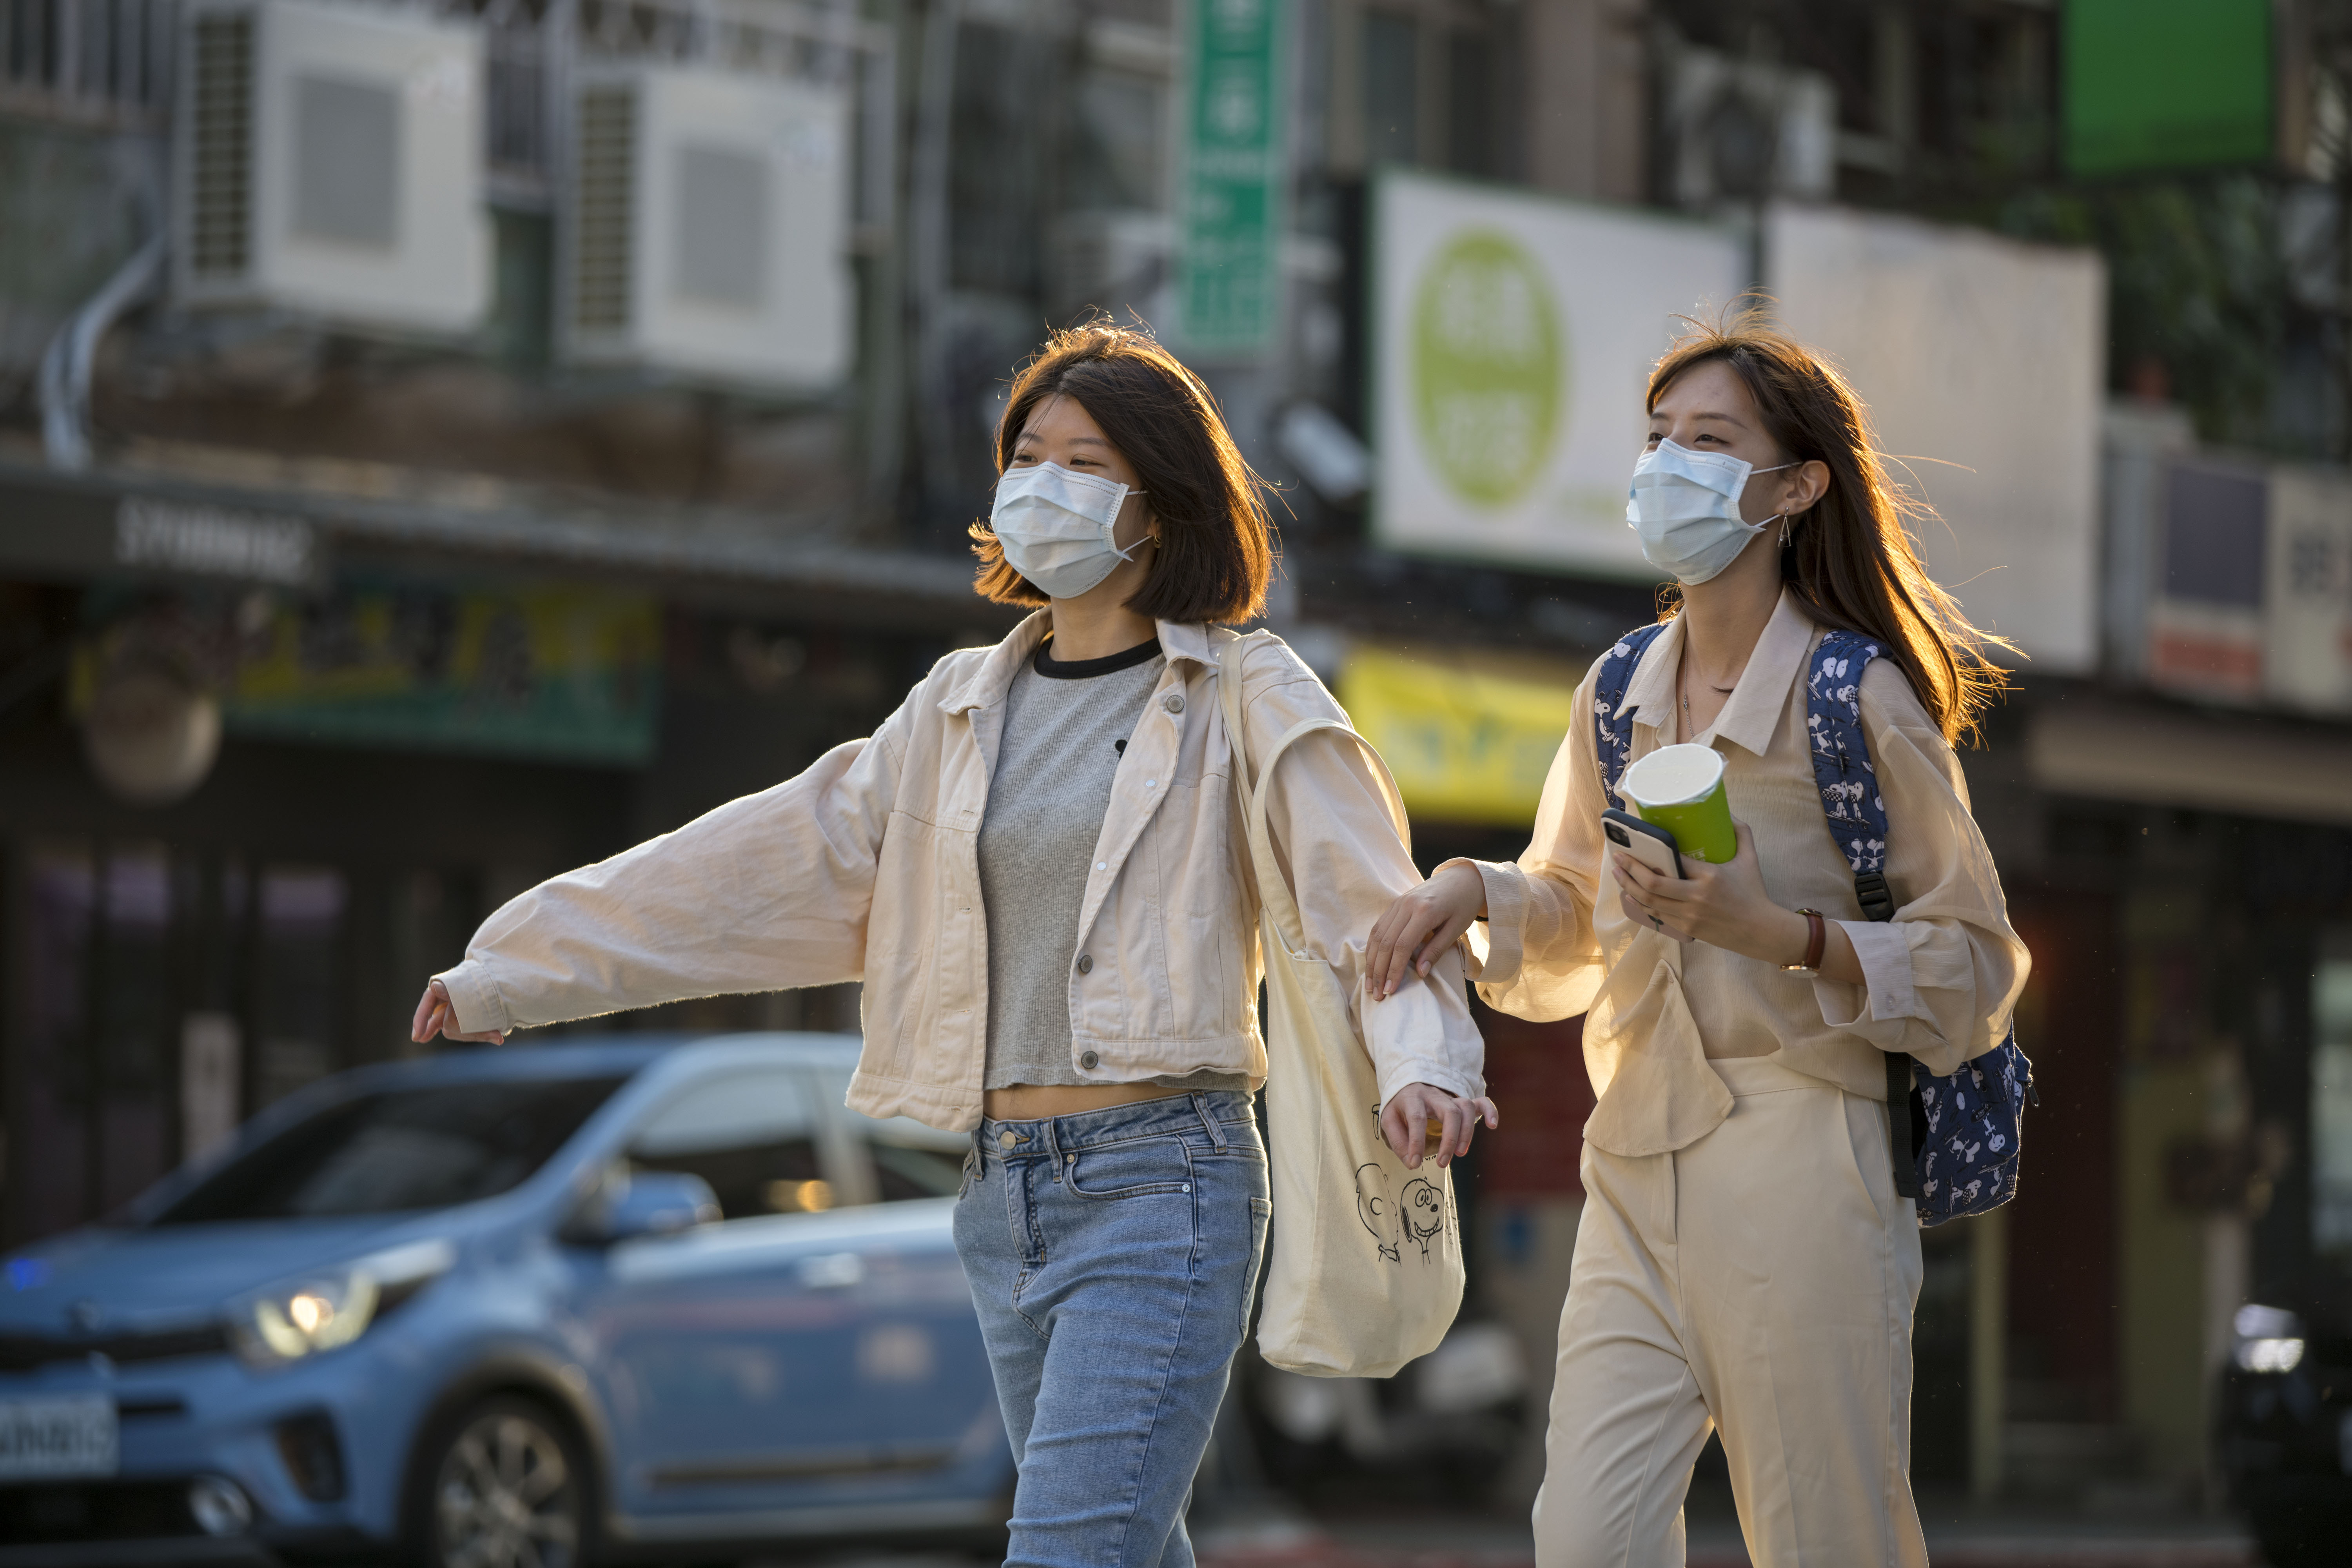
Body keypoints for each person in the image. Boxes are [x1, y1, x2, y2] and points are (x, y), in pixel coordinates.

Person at [410, 322, 1497, 1568]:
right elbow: (758, 860)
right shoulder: (958, 705)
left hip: (1164, 1185)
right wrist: (516, 968)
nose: (1045, 484)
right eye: (1028, 454)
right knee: (1123, 1551)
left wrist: (1427, 1062)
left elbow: (1368, 904)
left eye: (1087, 463)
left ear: (1164, 505)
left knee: (1070, 1552)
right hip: (1001, 1192)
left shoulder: (1245, 696)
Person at [1366, 311, 2028, 1568]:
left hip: (1806, 1153)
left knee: (1824, 1537)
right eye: (1659, 438)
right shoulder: (1618, 691)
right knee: (1585, 1538)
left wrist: (1780, 935)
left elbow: (1979, 966)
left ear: (1795, 487)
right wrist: (1475, 892)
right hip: (1633, 1159)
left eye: (1710, 440)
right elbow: (1575, 919)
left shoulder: (1857, 697)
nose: (1668, 465)